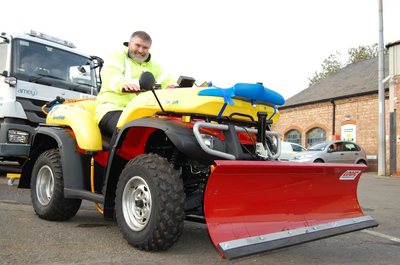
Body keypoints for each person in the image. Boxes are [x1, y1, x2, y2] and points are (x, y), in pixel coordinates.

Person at [94, 31, 177, 139]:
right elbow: (111, 73)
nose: (141, 50)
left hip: (140, 114)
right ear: (129, 44)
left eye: (145, 48)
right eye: (137, 45)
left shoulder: (154, 66)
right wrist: (122, 84)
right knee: (127, 130)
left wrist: (179, 88)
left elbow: (168, 80)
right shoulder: (117, 56)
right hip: (112, 109)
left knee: (163, 136)